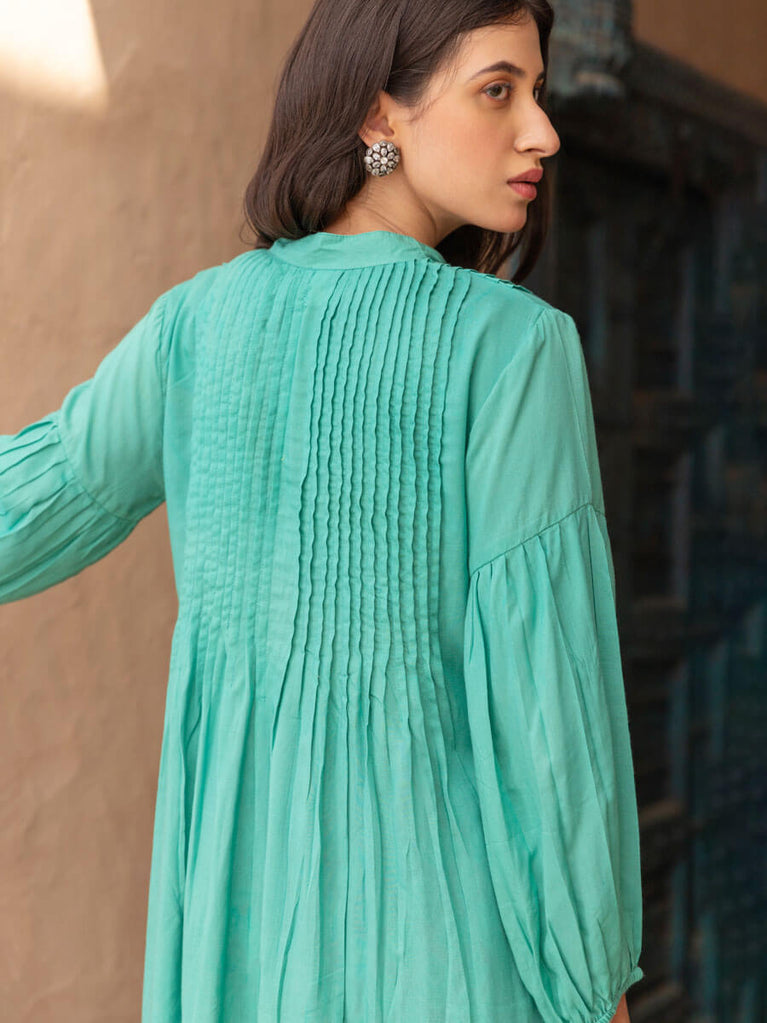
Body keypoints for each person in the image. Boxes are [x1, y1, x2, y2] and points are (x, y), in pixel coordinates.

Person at [0, 0, 644, 1020]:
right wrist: (592, 983)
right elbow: (546, 711)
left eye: (538, 92)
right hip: (447, 951)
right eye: (497, 91)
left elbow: (28, 505)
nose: (543, 132)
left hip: (238, 947)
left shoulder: (194, 325)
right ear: (378, 114)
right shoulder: (509, 345)